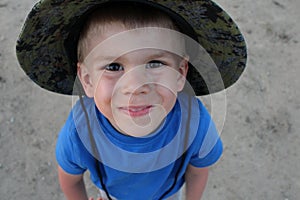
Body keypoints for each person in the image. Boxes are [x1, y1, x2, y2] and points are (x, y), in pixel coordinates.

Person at [16, 1, 247, 199]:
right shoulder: (80, 131)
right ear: (86, 80)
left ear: (181, 73)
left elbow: (198, 170)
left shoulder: (195, 124)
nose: (136, 87)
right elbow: (70, 178)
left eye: (155, 63)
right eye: (114, 67)